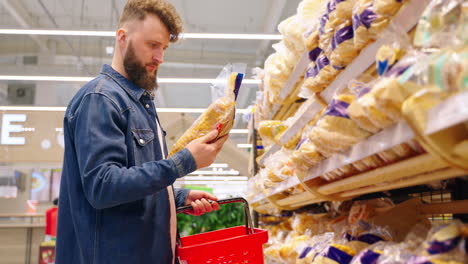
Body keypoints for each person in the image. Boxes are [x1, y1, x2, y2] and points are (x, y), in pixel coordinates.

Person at [55, 0, 228, 263]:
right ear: (122, 38)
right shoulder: (101, 99)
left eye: (164, 48)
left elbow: (132, 182)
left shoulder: (139, 104)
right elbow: (103, 186)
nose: (160, 57)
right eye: (152, 45)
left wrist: (175, 197)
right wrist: (183, 162)